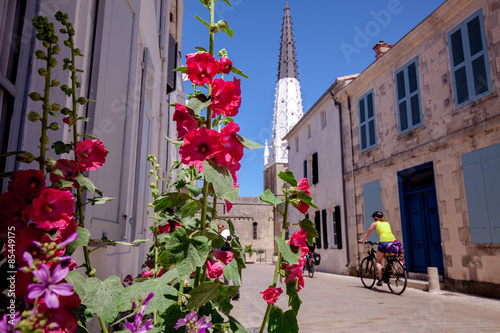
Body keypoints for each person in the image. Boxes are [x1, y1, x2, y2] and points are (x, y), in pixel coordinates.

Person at [358, 211, 396, 286]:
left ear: (375, 218)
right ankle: (388, 270)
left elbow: (368, 233)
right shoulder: (387, 223)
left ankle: (380, 279)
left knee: (378, 262)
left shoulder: (375, 224)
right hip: (393, 242)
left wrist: (362, 240)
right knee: (387, 257)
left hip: (383, 242)